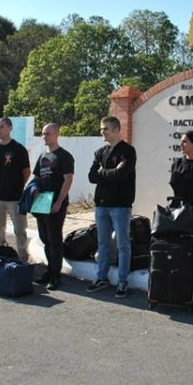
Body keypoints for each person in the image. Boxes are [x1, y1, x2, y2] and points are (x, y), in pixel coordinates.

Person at [85, 116, 137, 298]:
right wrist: (109, 173)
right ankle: (101, 278)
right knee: (103, 243)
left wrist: (103, 172)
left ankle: (123, 281)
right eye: (101, 129)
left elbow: (121, 175)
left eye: (105, 129)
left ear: (116, 130)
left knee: (123, 245)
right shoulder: (100, 152)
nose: (102, 132)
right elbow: (92, 176)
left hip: (121, 205)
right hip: (102, 205)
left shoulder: (128, 152)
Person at [32, 123, 74, 291]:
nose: (44, 137)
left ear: (56, 134)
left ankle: (56, 276)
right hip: (41, 201)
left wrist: (59, 202)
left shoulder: (65, 156)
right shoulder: (42, 156)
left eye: (48, 134)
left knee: (55, 240)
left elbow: (68, 179)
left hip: (56, 203)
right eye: (43, 134)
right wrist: (33, 191)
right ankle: (49, 271)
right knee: (45, 239)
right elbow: (36, 177)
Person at [0, 117, 31, 260]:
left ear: (10, 128)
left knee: (19, 230)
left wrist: (18, 187)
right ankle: (0, 257)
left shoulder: (19, 149)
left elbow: (26, 172)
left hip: (15, 198)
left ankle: (23, 259)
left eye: (2, 127)